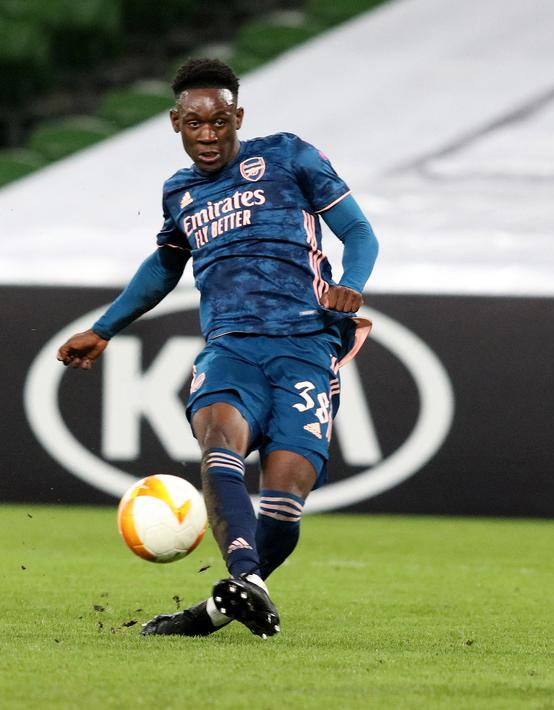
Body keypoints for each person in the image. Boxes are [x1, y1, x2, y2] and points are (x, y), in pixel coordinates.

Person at [57, 58, 379, 639]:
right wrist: (104, 328)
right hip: (230, 347)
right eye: (195, 124)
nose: (208, 136)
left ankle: (210, 614)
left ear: (238, 117)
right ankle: (249, 577)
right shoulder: (179, 192)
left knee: (285, 499)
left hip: (306, 346)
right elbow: (165, 266)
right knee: (219, 440)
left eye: (220, 122)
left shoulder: (289, 156)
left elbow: (358, 231)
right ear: (175, 123)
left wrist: (352, 284)